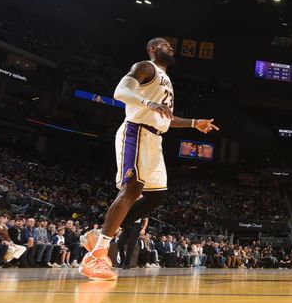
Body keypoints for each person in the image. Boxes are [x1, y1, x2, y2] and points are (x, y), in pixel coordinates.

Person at [80, 37, 219, 281]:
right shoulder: (145, 67)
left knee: (157, 195)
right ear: (152, 49)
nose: (171, 48)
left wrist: (195, 123)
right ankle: (96, 255)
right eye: (166, 45)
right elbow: (120, 92)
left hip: (155, 139)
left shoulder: (167, 80)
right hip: (137, 131)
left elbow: (167, 117)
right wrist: (148, 102)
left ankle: (98, 235)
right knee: (132, 188)